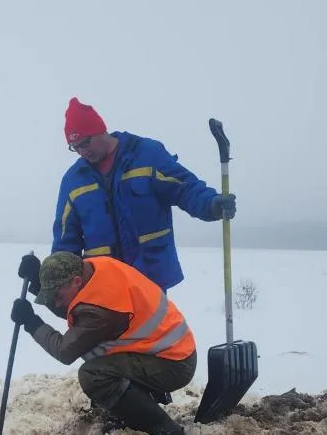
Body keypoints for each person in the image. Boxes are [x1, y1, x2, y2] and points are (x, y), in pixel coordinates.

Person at [10, 251, 197, 435]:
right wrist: (42, 283)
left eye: (57, 296)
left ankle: (169, 433)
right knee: (96, 355)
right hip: (166, 349)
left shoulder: (101, 311)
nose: (56, 303)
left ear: (76, 281)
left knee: (93, 375)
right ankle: (135, 410)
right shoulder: (93, 268)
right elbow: (73, 305)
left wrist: (32, 323)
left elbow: (65, 351)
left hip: (174, 364)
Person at [46, 97, 237, 292]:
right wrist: (55, 280)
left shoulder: (146, 154)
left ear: (99, 130)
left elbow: (184, 187)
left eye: (85, 143)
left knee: (156, 324)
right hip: (102, 286)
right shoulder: (73, 180)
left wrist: (210, 203)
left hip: (149, 280)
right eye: (75, 147)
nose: (82, 152)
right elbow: (65, 240)